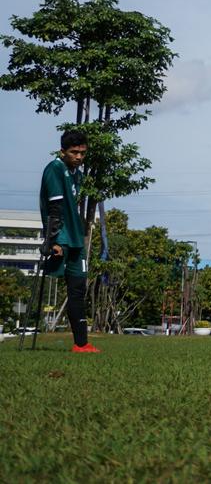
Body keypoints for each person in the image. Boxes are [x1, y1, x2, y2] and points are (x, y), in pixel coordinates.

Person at [39, 129, 97, 353]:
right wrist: (52, 240)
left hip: (76, 239)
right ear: (63, 151)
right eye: (74, 152)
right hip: (60, 238)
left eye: (83, 153)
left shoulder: (77, 174)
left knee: (78, 290)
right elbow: (55, 207)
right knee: (51, 281)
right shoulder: (55, 168)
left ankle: (81, 344)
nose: (79, 157)